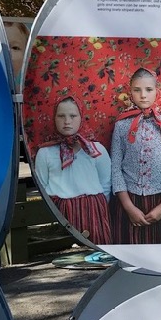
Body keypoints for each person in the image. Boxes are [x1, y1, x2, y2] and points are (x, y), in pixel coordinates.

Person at [110, 68, 161, 245]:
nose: (143, 95)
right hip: (131, 201)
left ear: (157, 91)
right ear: (130, 92)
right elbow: (115, 167)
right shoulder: (121, 126)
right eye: (137, 90)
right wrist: (128, 207)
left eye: (148, 89)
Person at [34, 96, 112, 243]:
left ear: (81, 117)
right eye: (61, 116)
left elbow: (106, 182)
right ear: (54, 118)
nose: (67, 121)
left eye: (73, 116)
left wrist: (97, 207)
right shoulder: (45, 152)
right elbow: (42, 185)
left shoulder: (95, 150)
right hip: (61, 212)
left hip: (93, 211)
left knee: (98, 250)